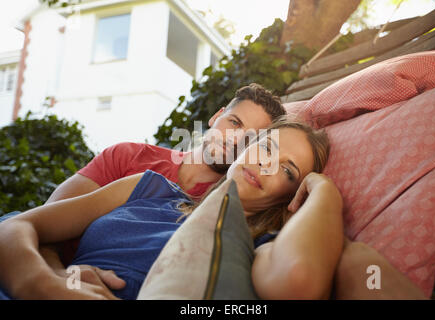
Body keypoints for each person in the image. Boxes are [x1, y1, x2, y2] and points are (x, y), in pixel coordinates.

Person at [0, 118, 343, 300]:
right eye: (267, 147)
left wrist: (324, 190)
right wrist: (45, 282)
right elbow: (17, 226)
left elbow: (299, 280)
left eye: (288, 171)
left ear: (291, 195)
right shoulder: (148, 186)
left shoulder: (257, 247)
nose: (267, 165)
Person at [0, 83, 288, 284]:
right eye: (234, 122)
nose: (235, 139)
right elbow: (43, 223)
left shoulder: (229, 206)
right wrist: (65, 279)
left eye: (252, 138)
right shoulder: (128, 156)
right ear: (216, 116)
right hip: (41, 266)